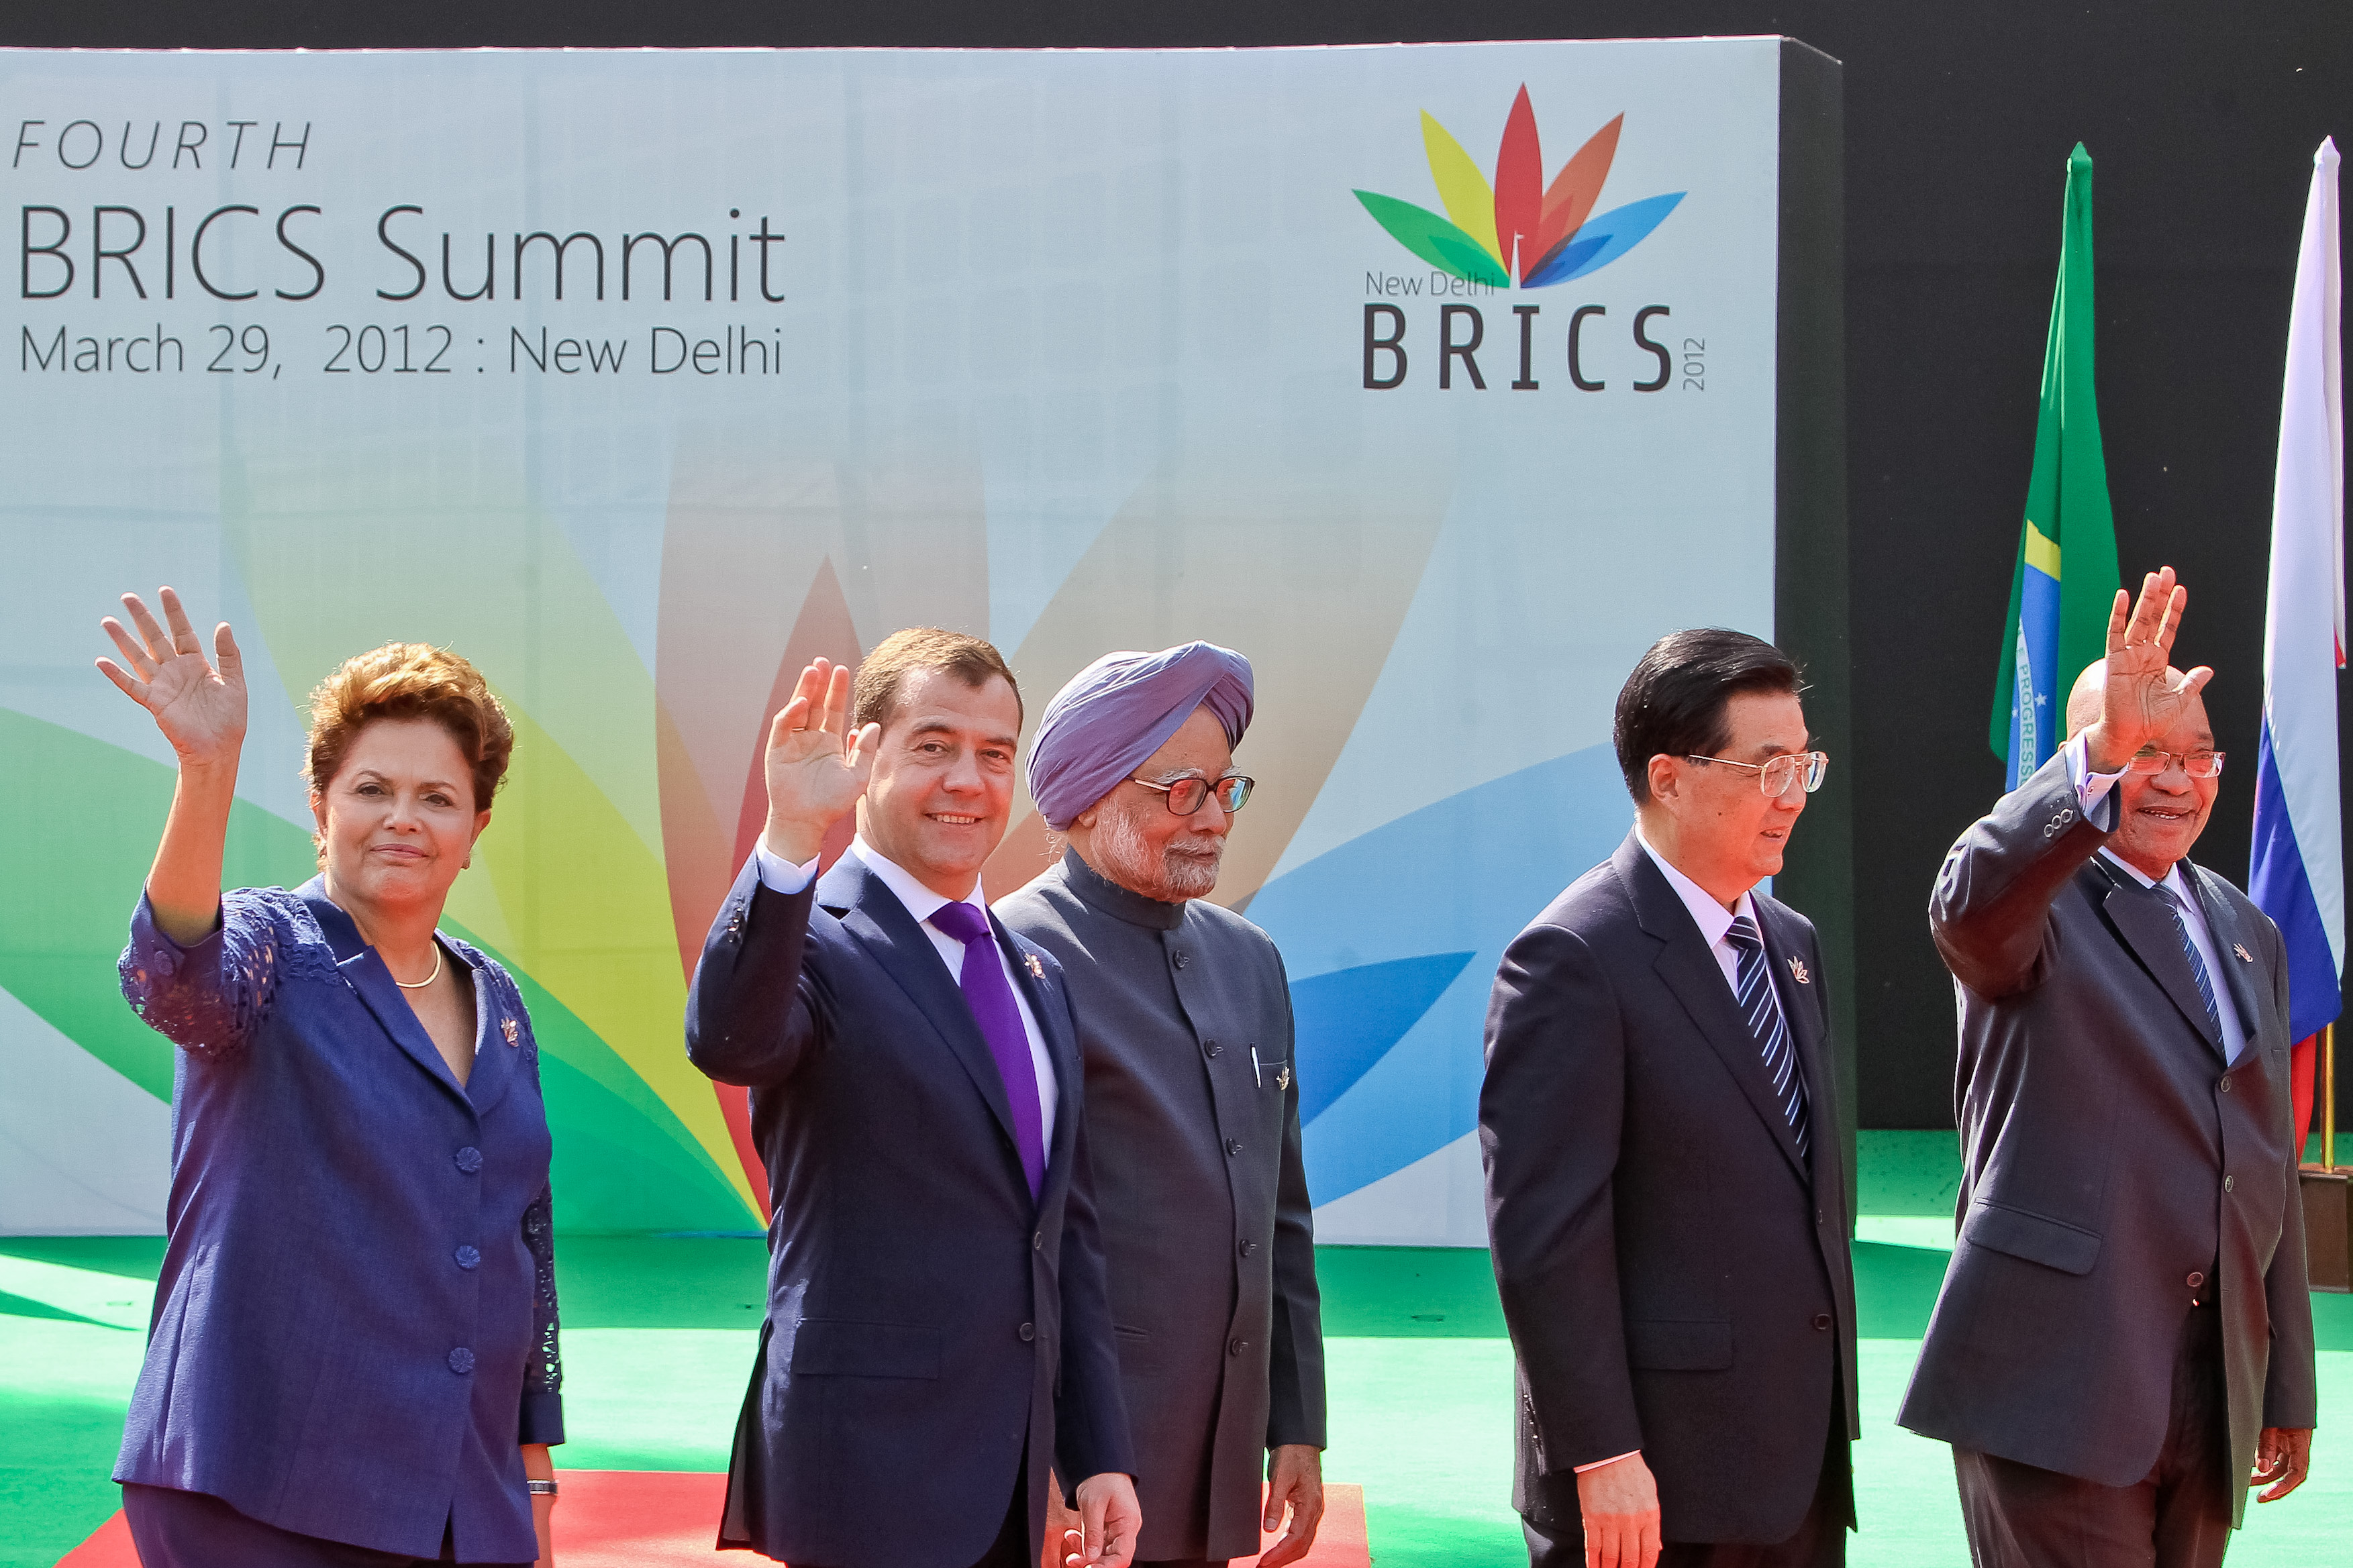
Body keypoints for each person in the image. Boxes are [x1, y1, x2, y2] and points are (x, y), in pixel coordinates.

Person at [97, 589, 562, 1567]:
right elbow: (175, 975)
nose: (403, 818)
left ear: (475, 827)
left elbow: (523, 1240)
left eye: (437, 797)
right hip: (259, 1488)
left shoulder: (501, 999)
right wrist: (206, 770)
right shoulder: (270, 946)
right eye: (371, 789)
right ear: (320, 808)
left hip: (457, 1499)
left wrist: (532, 1472)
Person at [683, 629, 1141, 1568]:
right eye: (933, 745)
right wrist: (790, 837)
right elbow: (731, 1039)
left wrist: (1097, 1452)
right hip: (862, 1474)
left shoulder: (1036, 974)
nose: (966, 780)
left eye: (993, 753)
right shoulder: (808, 938)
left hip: (1010, 1487)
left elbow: (1068, 1238)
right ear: (865, 754)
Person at [1899, 567, 2316, 1568]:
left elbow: (2261, 1162)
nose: (2176, 779)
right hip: (2058, 1381)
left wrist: (2283, 1382)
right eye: (2148, 754)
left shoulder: (2242, 926)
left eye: (2198, 757)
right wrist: (2097, 753)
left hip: (2204, 1388)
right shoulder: (2036, 903)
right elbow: (1967, 897)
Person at [1481, 627, 1858, 1568]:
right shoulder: (1572, 958)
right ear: (1670, 775)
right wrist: (1601, 1449)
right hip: (1650, 1483)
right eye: (1764, 768)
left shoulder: (1790, 941)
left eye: (1802, 766)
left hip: (1791, 1467)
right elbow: (1544, 1238)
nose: (1790, 797)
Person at [997, 643, 1328, 1568]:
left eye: (1226, 789)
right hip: (1084, 1460)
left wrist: (1295, 1422)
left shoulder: (1249, 956)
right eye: (1181, 789)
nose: (1214, 818)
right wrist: (1054, 1449)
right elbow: (1013, 1240)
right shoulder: (1012, 956)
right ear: (1091, 792)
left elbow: (1280, 1214)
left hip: (1218, 1448)